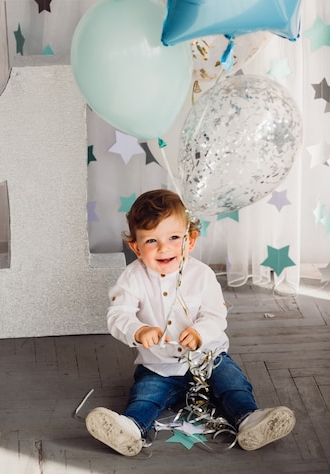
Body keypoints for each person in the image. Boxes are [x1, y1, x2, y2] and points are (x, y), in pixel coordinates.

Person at [85, 189, 295, 457]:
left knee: (232, 383)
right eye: (151, 240)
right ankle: (130, 428)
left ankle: (249, 419)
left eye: (174, 237)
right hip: (159, 365)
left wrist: (199, 333)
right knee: (145, 395)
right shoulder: (132, 278)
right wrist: (138, 330)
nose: (164, 248)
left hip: (208, 357)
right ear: (136, 247)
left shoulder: (202, 275)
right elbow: (118, 314)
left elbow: (215, 315)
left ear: (190, 240)